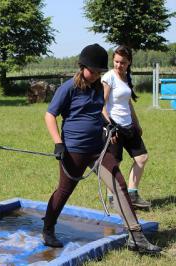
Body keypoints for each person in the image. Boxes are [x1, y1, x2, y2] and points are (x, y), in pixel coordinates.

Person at [43, 43, 161, 254]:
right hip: (74, 150)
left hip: (99, 148)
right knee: (64, 191)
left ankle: (136, 236)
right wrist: (58, 143)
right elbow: (50, 115)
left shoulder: (98, 87)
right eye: (93, 71)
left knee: (119, 185)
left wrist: (108, 124)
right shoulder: (69, 88)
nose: (97, 75)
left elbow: (98, 111)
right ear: (82, 66)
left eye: (99, 72)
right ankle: (48, 228)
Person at [101, 45, 150, 209]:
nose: (118, 65)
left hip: (129, 125)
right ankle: (113, 199)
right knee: (114, 163)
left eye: (122, 62)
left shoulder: (126, 77)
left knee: (141, 158)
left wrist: (137, 123)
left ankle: (133, 194)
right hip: (114, 126)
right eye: (116, 61)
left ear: (129, 62)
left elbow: (128, 103)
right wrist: (109, 125)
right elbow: (101, 104)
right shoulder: (109, 77)